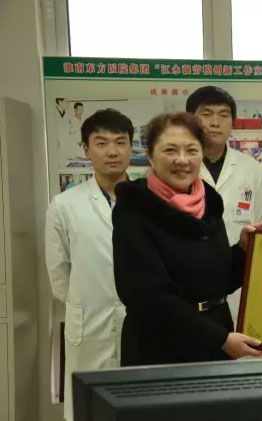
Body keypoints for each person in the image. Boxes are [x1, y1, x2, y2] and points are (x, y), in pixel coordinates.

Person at [112, 111, 262, 366]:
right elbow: (148, 295)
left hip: (215, 345)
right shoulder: (134, 207)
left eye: (191, 150)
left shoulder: (209, 202)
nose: (182, 160)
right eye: (170, 150)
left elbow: (215, 281)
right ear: (150, 155)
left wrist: (242, 250)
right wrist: (218, 338)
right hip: (160, 350)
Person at [45, 108, 134, 420]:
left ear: (131, 148)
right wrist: (83, 302)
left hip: (139, 324)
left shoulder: (149, 201)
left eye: (120, 142)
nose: (112, 151)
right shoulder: (65, 205)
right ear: (85, 150)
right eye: (101, 143)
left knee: (137, 404)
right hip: (89, 325)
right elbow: (59, 272)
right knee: (88, 408)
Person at [186, 86, 262, 323]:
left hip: (238, 289)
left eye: (223, 115)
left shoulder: (250, 169)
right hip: (189, 290)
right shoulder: (180, 167)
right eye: (206, 114)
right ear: (190, 119)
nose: (215, 123)